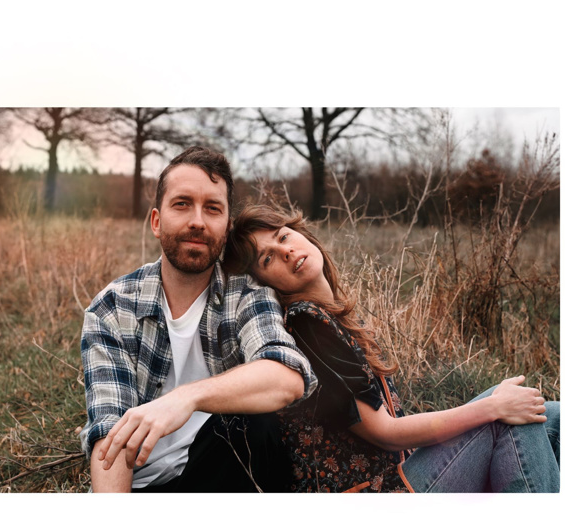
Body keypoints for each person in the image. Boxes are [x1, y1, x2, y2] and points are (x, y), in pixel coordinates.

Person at [223, 204, 560, 493]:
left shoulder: (327, 315)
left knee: (551, 415)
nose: (285, 251)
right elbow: (386, 434)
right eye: (268, 258)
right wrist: (492, 407)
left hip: (398, 473)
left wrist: (494, 406)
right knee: (511, 417)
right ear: (265, 283)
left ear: (302, 234)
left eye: (283, 237)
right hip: (376, 494)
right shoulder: (307, 325)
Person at [80, 148, 317, 493]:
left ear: (227, 227)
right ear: (156, 222)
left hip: (222, 473)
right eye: (182, 204)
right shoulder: (112, 308)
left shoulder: (247, 292)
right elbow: (109, 438)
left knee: (254, 425)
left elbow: (286, 376)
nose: (197, 221)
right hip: (144, 488)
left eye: (213, 208)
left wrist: (185, 398)